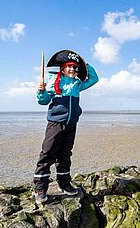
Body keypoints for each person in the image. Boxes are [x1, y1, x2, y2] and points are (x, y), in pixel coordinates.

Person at [33, 50, 99, 203]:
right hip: (55, 124)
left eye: (75, 68)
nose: (73, 70)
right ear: (63, 68)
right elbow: (43, 101)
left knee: (65, 154)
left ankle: (64, 184)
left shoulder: (77, 84)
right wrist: (40, 91)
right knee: (47, 154)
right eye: (69, 66)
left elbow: (94, 78)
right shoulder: (53, 82)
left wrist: (85, 64)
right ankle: (40, 187)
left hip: (71, 124)